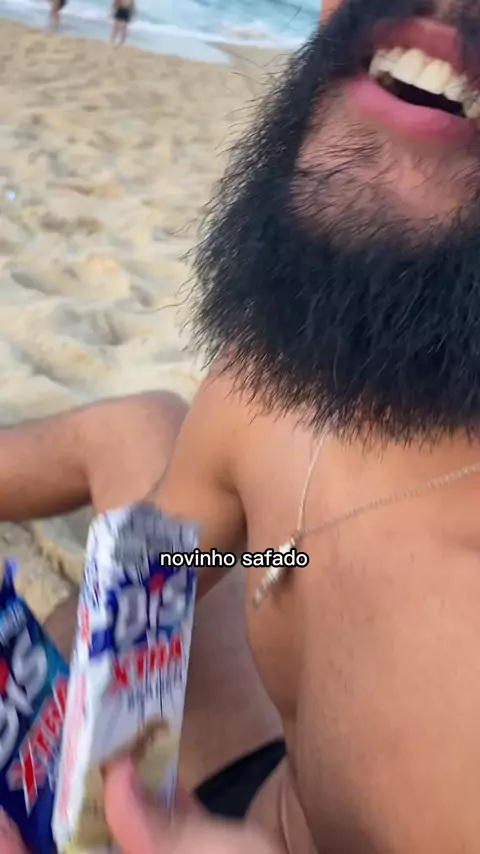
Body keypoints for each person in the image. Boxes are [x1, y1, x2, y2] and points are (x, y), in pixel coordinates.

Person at [0, 0, 480, 848]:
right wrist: (53, 730)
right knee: (141, 429)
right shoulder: (282, 380)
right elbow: (155, 570)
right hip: (248, 791)